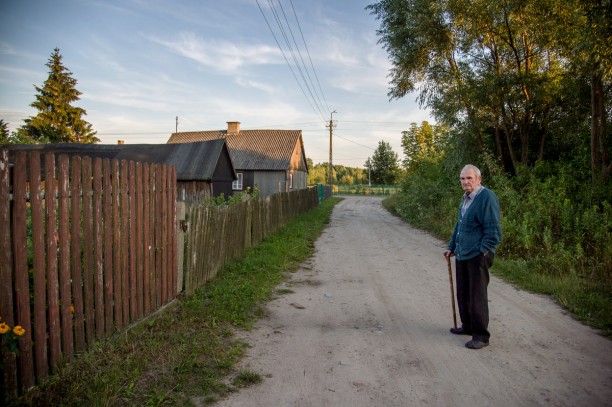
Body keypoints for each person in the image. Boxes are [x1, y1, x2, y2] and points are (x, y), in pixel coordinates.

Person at [444, 164, 501, 350]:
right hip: (463, 253)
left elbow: (493, 230)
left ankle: (481, 336)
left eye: (469, 178)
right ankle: (467, 326)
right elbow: (459, 225)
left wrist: (483, 251)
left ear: (479, 179)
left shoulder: (487, 197)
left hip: (478, 255)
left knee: (477, 296)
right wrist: (452, 247)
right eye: (462, 178)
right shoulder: (466, 198)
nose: (465, 182)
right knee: (463, 292)